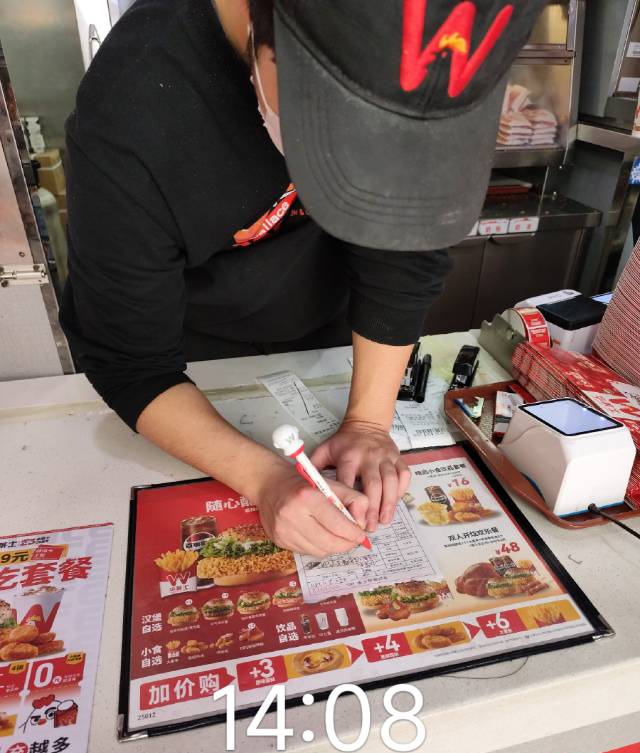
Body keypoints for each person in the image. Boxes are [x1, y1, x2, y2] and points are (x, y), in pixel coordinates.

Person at [60, 0, 546, 557]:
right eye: (341, 135)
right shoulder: (134, 106)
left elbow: (405, 252)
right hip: (196, 365)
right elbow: (130, 361)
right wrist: (264, 479)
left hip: (343, 334)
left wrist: (368, 423)